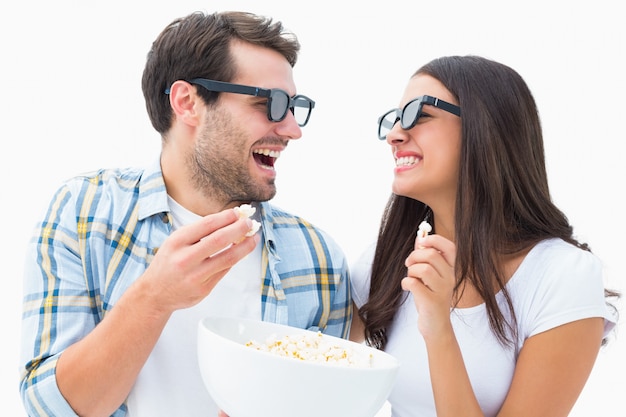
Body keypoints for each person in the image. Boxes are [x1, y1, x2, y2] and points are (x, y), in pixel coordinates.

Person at [20, 11, 352, 417]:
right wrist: (154, 298)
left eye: (294, 106)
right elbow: (50, 408)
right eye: (270, 103)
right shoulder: (83, 215)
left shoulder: (319, 259)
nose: (292, 129)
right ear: (187, 102)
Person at [349, 55, 619, 417]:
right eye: (394, 119)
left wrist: (438, 328)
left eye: (419, 114)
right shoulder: (382, 261)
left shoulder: (564, 276)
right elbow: (328, 390)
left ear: (486, 129)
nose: (395, 134)